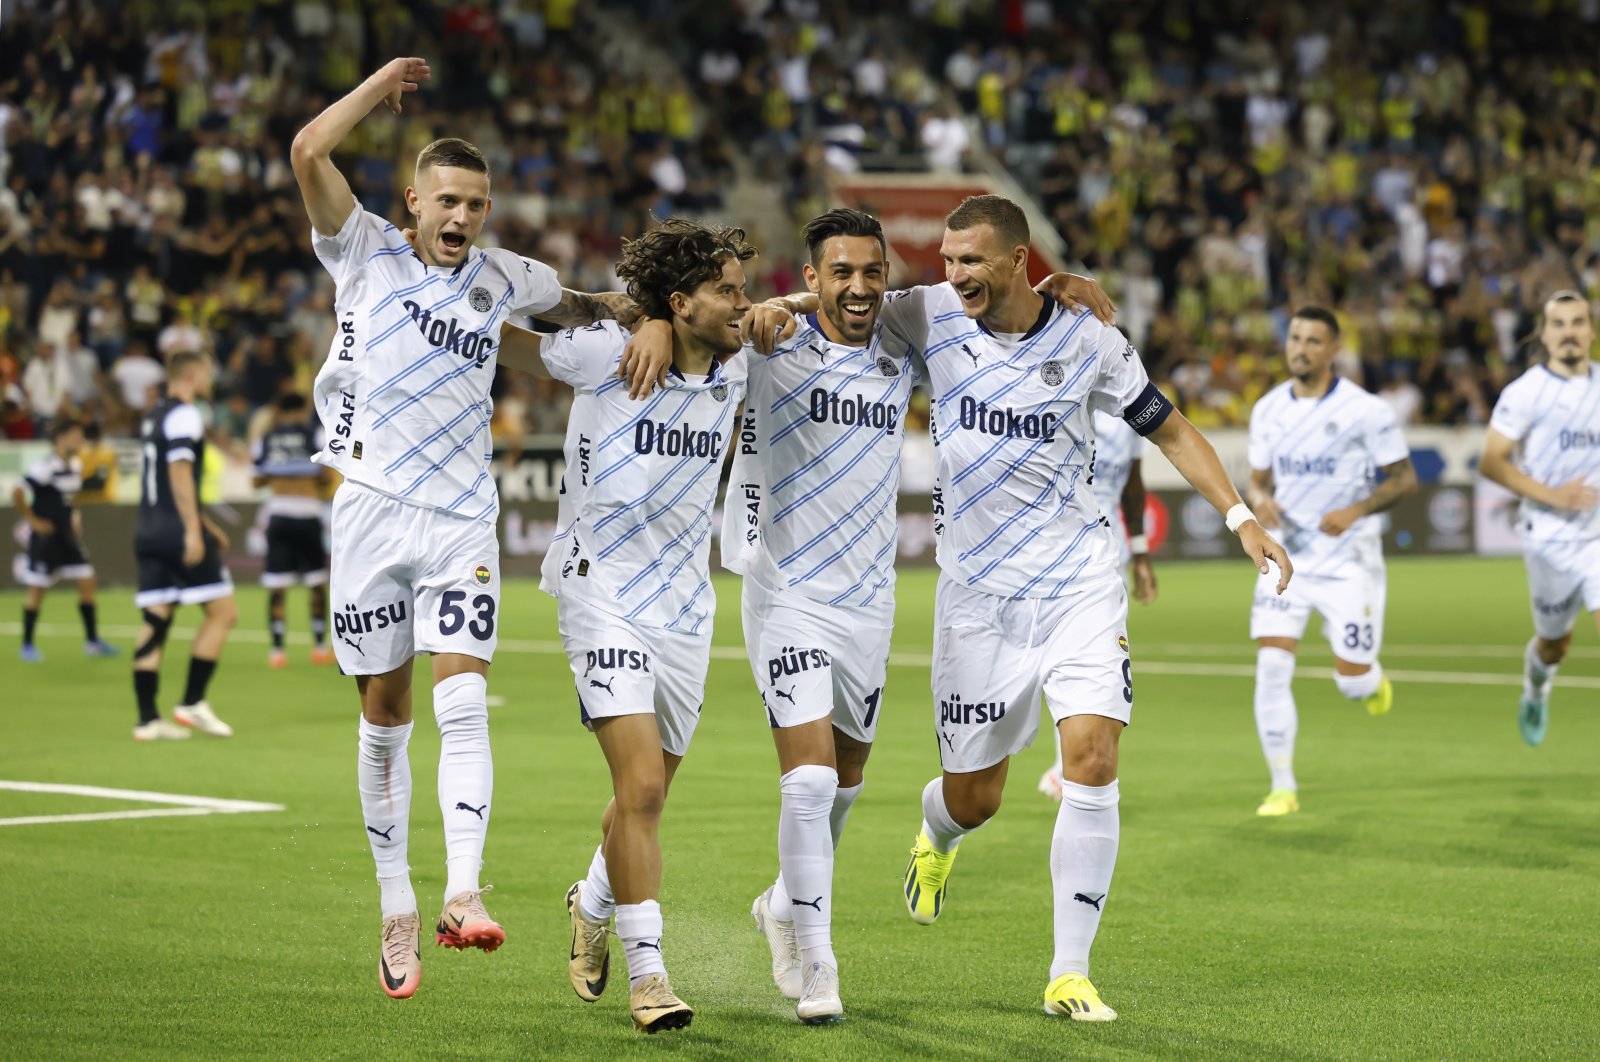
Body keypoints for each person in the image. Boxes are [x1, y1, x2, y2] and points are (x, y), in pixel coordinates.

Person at [752, 194, 1291, 1022]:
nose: (956, 274)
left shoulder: (1087, 338)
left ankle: (1069, 971)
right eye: (947, 259)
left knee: (1095, 761)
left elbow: (1171, 428)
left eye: (972, 260)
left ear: (1016, 258)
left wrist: (1241, 517)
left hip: (1079, 582)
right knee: (976, 798)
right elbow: (839, 299)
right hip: (977, 601)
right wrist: (769, 309)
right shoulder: (923, 316)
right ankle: (937, 836)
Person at [290, 56, 658, 1002]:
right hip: (371, 511)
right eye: (446, 201)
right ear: (412, 201)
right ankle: (396, 904)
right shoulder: (361, 247)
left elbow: (586, 306)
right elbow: (306, 148)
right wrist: (378, 87)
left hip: (461, 519)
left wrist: (652, 313)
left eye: (477, 205)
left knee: (461, 700)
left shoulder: (504, 277)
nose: (461, 219)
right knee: (383, 718)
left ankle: (461, 891)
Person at [730, 209, 1115, 1023]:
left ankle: (781, 903)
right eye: (840, 273)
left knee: (846, 787)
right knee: (808, 781)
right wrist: (759, 315)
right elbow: (692, 320)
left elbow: (995, 301)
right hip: (786, 590)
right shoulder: (766, 344)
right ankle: (817, 955)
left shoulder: (902, 341)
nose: (861, 287)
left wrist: (1052, 285)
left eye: (875, 272)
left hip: (870, 601)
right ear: (810, 279)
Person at [548, 219, 753, 1034]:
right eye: (726, 291)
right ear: (680, 300)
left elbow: (828, 305)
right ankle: (649, 973)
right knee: (638, 789)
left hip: (685, 607)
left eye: (743, 288)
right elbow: (521, 331)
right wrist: (634, 319)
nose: (742, 304)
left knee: (647, 793)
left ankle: (591, 899)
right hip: (600, 593)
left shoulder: (742, 367)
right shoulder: (611, 355)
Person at [1244, 307, 1417, 815]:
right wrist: (1261, 500)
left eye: (1313, 341)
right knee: (1272, 668)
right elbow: (1258, 481)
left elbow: (1404, 478)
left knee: (1351, 680)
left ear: (1334, 349)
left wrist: (1356, 510)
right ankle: (1282, 786)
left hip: (1349, 564)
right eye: (1295, 337)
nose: (1300, 348)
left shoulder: (1368, 411)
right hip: (1286, 560)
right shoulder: (1268, 409)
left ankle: (1369, 681)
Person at [1479, 290, 1600, 745]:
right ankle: (1536, 686)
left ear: (1590, 330)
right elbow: (1492, 461)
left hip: (1598, 539)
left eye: (1578, 322)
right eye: (1559, 324)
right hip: (1549, 538)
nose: (1569, 332)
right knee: (1554, 645)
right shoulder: (1526, 392)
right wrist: (1555, 496)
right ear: (1544, 335)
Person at [1039, 407, 1157, 801]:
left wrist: (1140, 553)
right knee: (1055, 662)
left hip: (1107, 558)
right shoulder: (1062, 399)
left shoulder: (1132, 410)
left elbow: (1133, 486)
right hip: (1052, 552)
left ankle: (1067, 767)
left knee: (1086, 667)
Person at [130, 350, 239, 742]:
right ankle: (192, 701)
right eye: (208, 372)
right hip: (176, 531)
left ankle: (147, 720)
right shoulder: (187, 414)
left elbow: (163, 480)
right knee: (224, 613)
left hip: (147, 529)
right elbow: (178, 471)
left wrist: (204, 523)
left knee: (156, 619)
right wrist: (193, 529)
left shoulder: (154, 415)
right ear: (193, 374)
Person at [13, 418, 117, 661]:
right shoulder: (45, 467)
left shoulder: (76, 465)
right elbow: (18, 491)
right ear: (61, 438)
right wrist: (34, 521)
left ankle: (92, 642)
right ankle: (27, 645)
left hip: (67, 537)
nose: (80, 441)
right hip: (47, 539)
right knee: (37, 590)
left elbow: (71, 500)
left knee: (87, 582)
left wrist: (75, 518)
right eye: (75, 436)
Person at [252, 392, 334, 669]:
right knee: (316, 582)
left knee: (277, 586)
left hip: (278, 514)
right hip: (308, 514)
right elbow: (328, 476)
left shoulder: (267, 439)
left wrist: (280, 473)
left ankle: (277, 651)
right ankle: (320, 646)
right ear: (302, 410)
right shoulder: (315, 434)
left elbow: (256, 481)